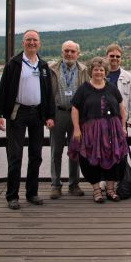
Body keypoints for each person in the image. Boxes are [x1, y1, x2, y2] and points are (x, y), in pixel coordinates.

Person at [0, 30, 55, 210]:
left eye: (35, 40)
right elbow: (3, 88)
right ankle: (12, 196)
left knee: (36, 155)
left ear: (39, 43)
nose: (32, 43)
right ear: (23, 43)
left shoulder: (43, 66)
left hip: (37, 114)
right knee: (15, 155)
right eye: (28, 40)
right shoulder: (14, 64)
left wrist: (50, 116)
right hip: (17, 113)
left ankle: (32, 193)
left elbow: (48, 94)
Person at [69, 57, 129, 203]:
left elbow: (121, 107)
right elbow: (75, 109)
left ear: (105, 72)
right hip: (91, 131)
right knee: (90, 160)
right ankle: (96, 190)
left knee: (114, 158)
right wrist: (76, 129)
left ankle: (110, 190)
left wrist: (123, 126)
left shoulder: (112, 87)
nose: (98, 72)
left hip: (112, 131)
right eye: (96, 69)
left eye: (101, 70)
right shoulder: (83, 89)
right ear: (91, 71)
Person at [49, 40, 88, 199]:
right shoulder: (52, 69)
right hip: (58, 113)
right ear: (62, 52)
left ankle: (74, 184)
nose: (69, 54)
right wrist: (48, 116)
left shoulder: (84, 70)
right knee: (56, 151)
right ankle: (55, 185)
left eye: (73, 51)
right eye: (66, 51)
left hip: (76, 115)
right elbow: (46, 94)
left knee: (75, 151)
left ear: (78, 54)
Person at [106, 44, 131, 131]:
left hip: (121, 118)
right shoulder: (100, 74)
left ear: (121, 58)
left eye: (118, 56)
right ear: (106, 56)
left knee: (121, 144)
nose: (115, 58)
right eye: (112, 56)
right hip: (102, 119)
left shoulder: (127, 76)